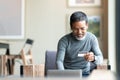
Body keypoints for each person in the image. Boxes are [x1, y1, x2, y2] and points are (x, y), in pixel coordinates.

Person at [56, 11, 103, 77]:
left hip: (85, 74)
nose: (79, 32)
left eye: (82, 28)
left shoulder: (92, 38)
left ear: (87, 26)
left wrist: (93, 58)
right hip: (68, 75)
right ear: (71, 27)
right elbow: (59, 61)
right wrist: (63, 76)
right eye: (75, 29)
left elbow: (100, 59)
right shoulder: (64, 41)